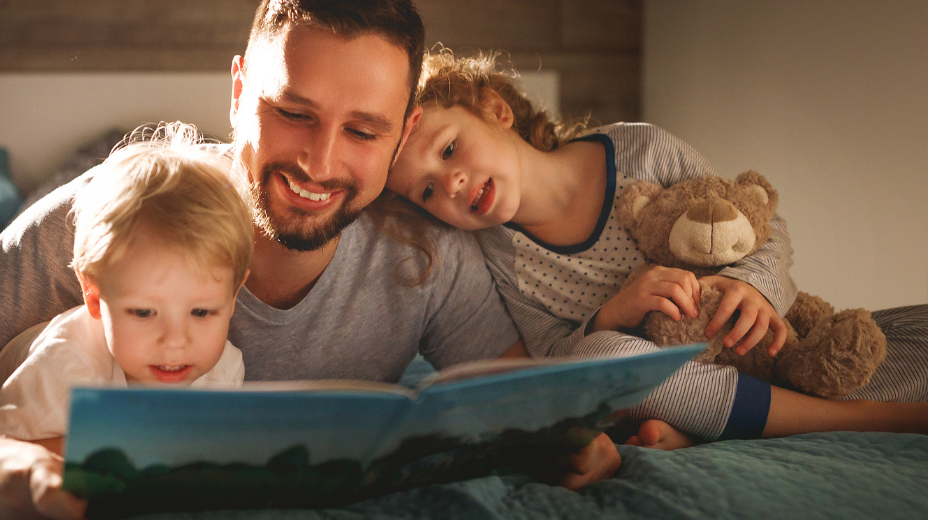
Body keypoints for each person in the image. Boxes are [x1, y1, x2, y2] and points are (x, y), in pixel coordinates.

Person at [0, 3, 621, 519]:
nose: (320, 162)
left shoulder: (429, 254)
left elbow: (529, 405)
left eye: (364, 131)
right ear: (239, 91)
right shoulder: (133, 205)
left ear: (406, 127)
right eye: (293, 113)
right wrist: (4, 473)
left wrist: (570, 439)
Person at [386, 49, 928, 448]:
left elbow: (762, 225)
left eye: (449, 148)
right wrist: (612, 313)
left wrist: (749, 284)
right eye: (427, 191)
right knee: (608, 360)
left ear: (495, 110)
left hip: (763, 339)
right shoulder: (497, 256)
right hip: (666, 379)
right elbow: (555, 358)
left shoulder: (640, 148)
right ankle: (858, 419)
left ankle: (701, 431)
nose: (450, 184)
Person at [0, 124, 252, 457]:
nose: (175, 341)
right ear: (93, 295)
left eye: (201, 312)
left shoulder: (225, 371)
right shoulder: (65, 371)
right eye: (144, 312)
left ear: (233, 298)